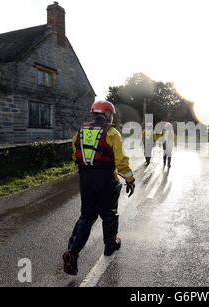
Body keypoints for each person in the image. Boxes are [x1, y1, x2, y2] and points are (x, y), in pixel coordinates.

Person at [63, 101, 136, 276]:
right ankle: (110, 245)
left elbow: (75, 155)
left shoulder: (80, 132)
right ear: (108, 114)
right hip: (106, 181)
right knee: (109, 214)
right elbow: (121, 161)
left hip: (86, 179)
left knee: (87, 216)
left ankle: (72, 252)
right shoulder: (112, 133)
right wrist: (130, 179)